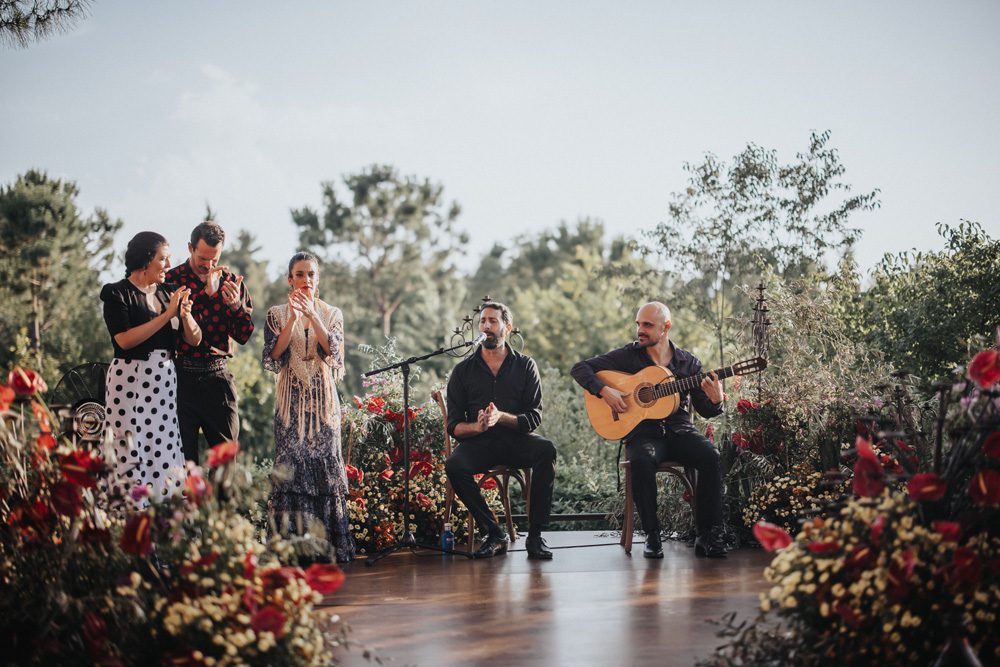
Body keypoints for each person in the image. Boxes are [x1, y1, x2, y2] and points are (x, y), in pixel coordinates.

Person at [570, 301, 728, 558]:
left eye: (647, 325)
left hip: (679, 432)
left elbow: (705, 410)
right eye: (638, 324)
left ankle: (708, 535)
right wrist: (605, 390)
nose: (640, 330)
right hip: (643, 434)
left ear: (666, 327)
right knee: (641, 459)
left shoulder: (688, 363)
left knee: (711, 456)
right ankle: (652, 536)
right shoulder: (628, 356)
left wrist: (715, 400)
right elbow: (579, 368)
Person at [445, 301, 557, 560]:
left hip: (515, 440)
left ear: (507, 327)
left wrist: (501, 418)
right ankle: (494, 532)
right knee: (454, 465)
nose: (486, 326)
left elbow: (533, 417)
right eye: (483, 321)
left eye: (493, 321)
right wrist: (479, 425)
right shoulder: (462, 371)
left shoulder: (526, 366)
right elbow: (454, 426)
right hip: (479, 443)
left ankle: (535, 536)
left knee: (546, 450)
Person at [262, 252, 355, 563]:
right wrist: (291, 318)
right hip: (291, 404)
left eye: (311, 275)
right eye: (299, 274)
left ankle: (327, 548)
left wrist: (313, 314)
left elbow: (333, 353)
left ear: (318, 278)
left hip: (323, 404)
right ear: (290, 279)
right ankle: (292, 550)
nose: (306, 280)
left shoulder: (332, 313)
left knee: (325, 469)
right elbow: (274, 357)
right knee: (290, 471)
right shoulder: (275, 314)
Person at [100, 231, 201, 506]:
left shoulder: (169, 293)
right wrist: (167, 315)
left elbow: (194, 338)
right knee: (130, 443)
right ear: (146, 260)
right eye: (163, 259)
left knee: (162, 444)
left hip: (163, 380)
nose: (169, 265)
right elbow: (124, 340)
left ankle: (161, 513)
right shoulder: (116, 293)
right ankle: (128, 512)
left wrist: (185, 315)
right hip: (129, 380)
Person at [166, 221, 254, 463]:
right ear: (190, 248)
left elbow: (244, 335)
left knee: (225, 462)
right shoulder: (171, 281)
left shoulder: (232, 282)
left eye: (215, 260)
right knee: (183, 462)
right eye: (203, 258)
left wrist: (236, 307)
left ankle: (221, 503)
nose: (209, 265)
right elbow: (177, 332)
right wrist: (206, 296)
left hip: (218, 378)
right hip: (179, 379)